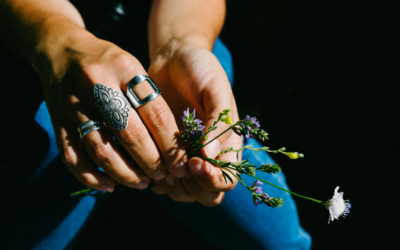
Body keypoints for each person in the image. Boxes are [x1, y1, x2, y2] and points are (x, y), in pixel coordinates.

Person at [0, 0, 311, 249]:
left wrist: (180, 45)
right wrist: (61, 47)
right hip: (35, 50)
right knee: (48, 167)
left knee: (278, 239)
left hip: (164, 38)